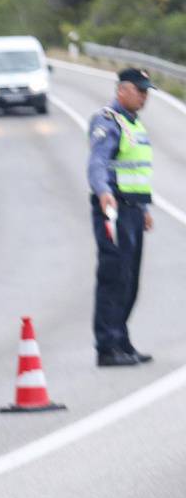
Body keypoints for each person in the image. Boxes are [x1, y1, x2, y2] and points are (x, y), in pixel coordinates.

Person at [89, 67, 156, 366]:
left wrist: (143, 210)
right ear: (122, 90)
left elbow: (134, 170)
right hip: (112, 210)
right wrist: (103, 192)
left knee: (129, 280)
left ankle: (121, 340)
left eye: (146, 92)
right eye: (139, 90)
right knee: (113, 277)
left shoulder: (134, 125)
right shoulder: (108, 122)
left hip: (132, 211)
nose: (144, 97)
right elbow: (97, 163)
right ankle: (107, 347)